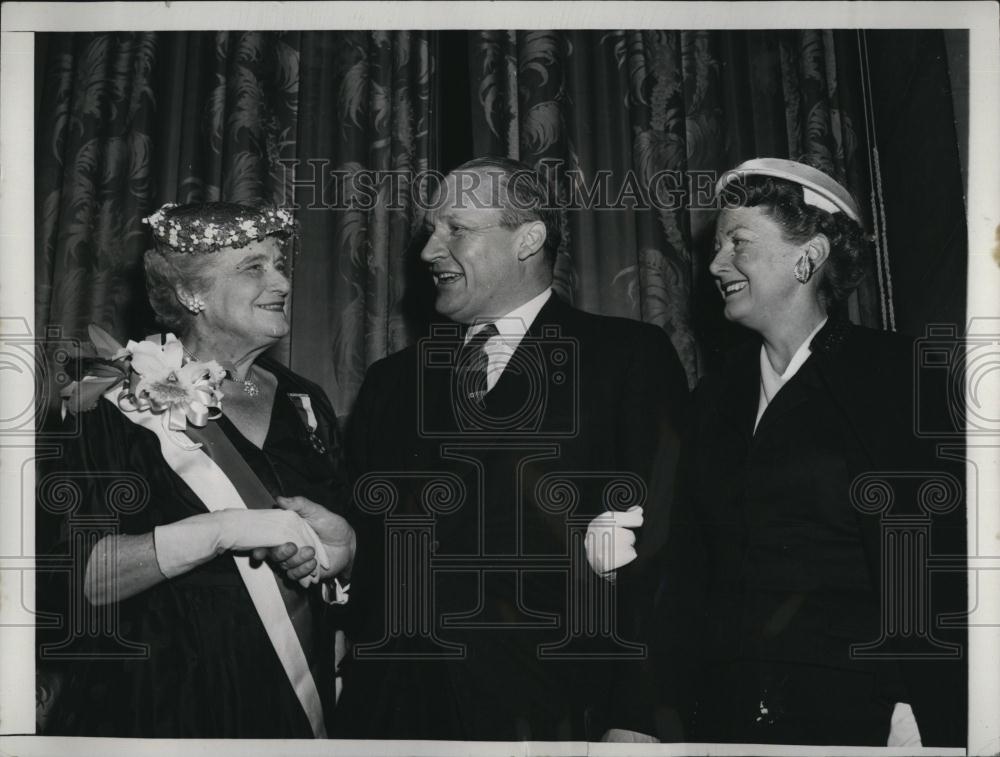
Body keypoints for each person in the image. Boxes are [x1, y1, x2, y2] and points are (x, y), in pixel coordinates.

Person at [336, 157, 689, 741]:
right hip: (390, 710)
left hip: (551, 711)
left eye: (456, 228)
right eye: (431, 230)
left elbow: (666, 549)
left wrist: (640, 715)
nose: (428, 251)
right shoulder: (391, 382)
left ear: (528, 238)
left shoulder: (627, 358)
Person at [651, 158, 966, 746]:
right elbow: (688, 570)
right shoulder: (710, 400)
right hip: (723, 711)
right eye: (717, 246)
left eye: (738, 242)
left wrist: (917, 703)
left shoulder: (896, 374)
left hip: (861, 706)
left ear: (810, 255)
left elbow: (932, 553)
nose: (716, 264)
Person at [48, 202, 355, 738]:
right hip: (162, 704)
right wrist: (218, 532)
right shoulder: (113, 405)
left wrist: (343, 554)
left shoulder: (307, 403)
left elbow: (329, 552)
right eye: (253, 267)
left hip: (286, 706)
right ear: (193, 295)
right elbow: (81, 581)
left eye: (280, 264)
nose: (282, 279)